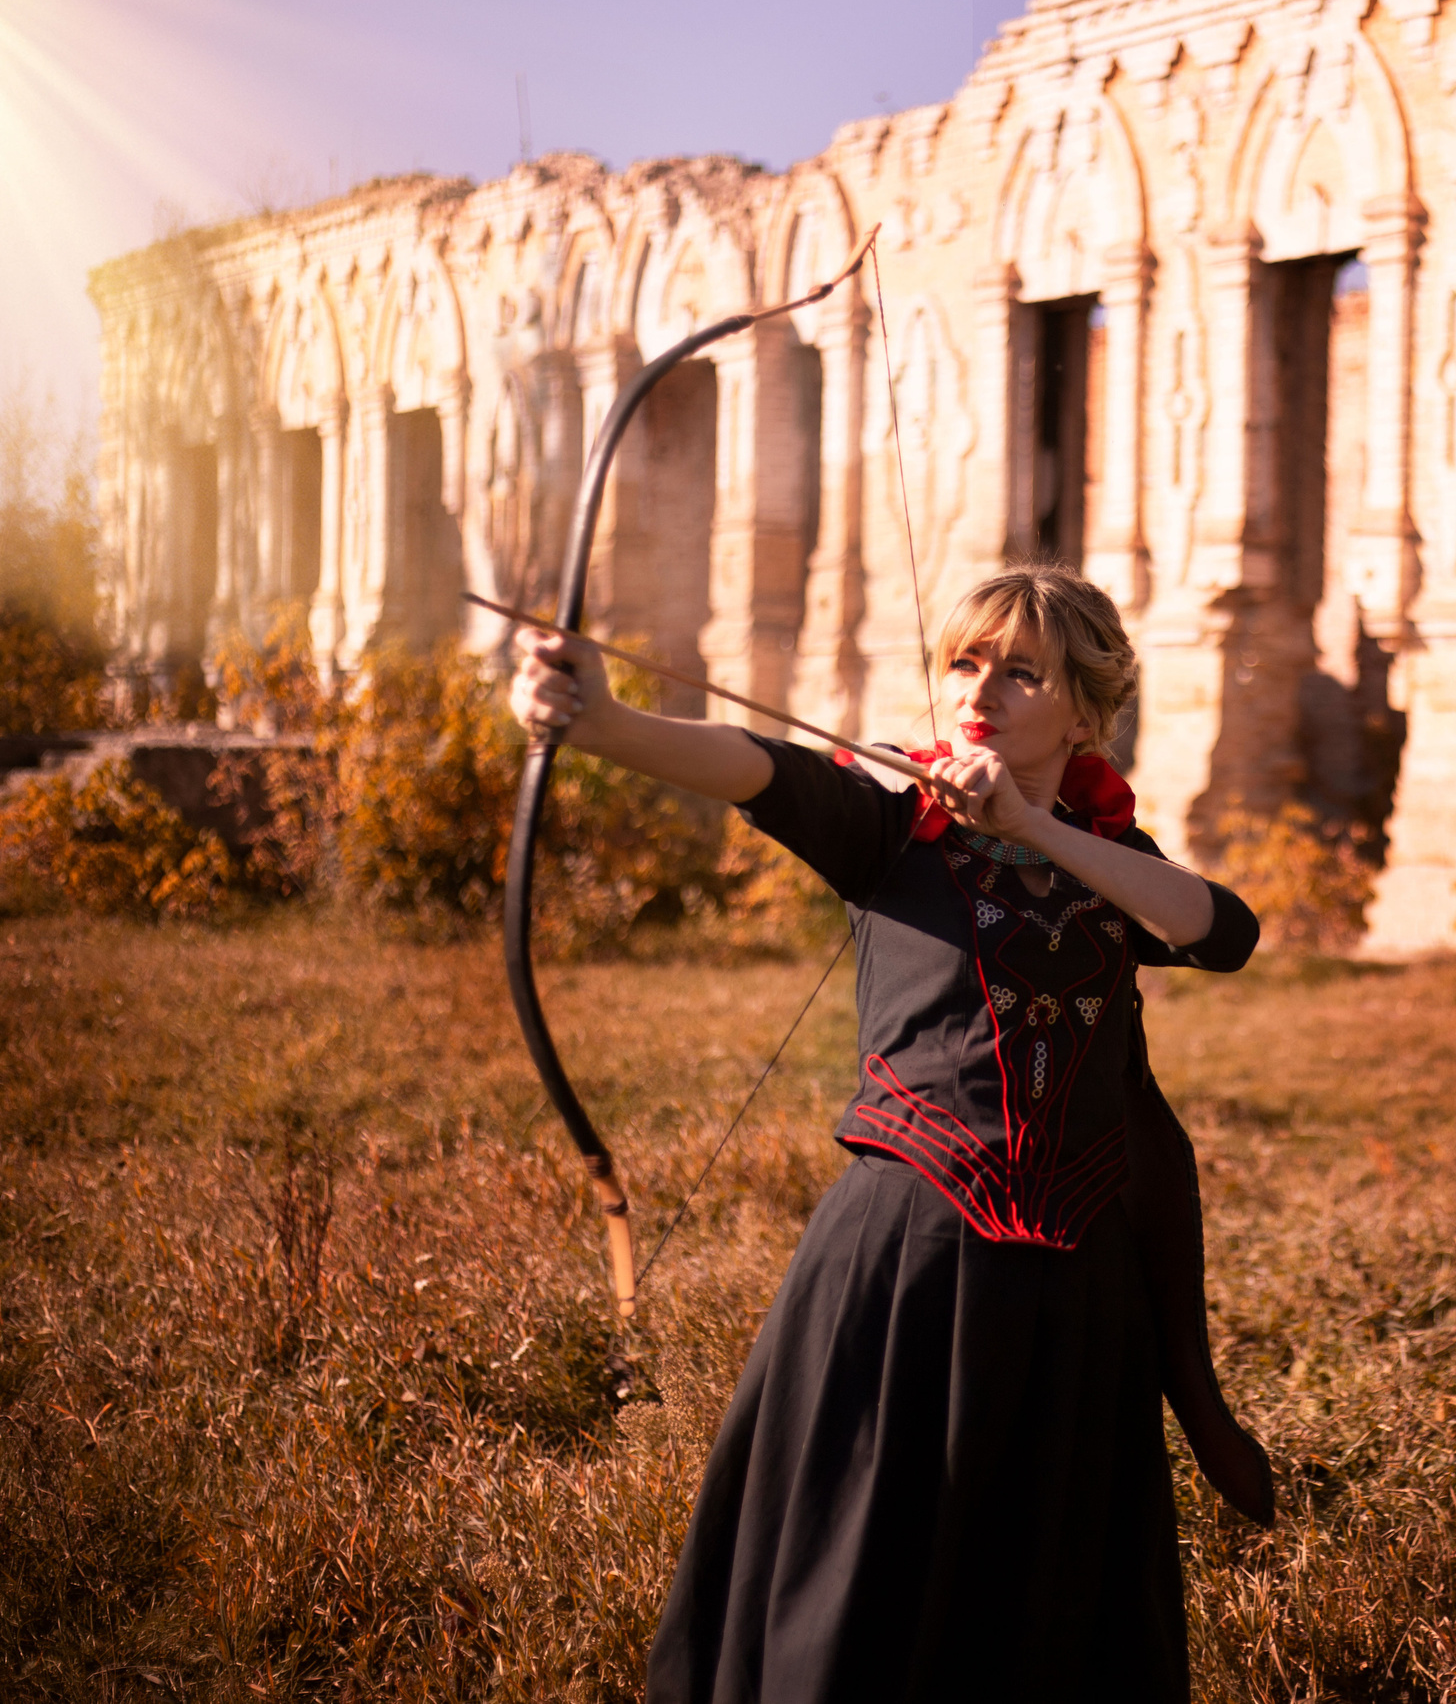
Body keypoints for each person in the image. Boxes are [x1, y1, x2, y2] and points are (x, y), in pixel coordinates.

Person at [509, 566, 1260, 1703]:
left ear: (1082, 713)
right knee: (862, 1599)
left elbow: (1220, 932)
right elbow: (757, 768)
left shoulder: (1111, 856)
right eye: (965, 663)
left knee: (1046, 1622)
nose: (983, 692)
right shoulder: (889, 830)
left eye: (1021, 672)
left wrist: (1033, 828)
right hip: (907, 1270)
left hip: (1075, 1303)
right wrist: (604, 722)